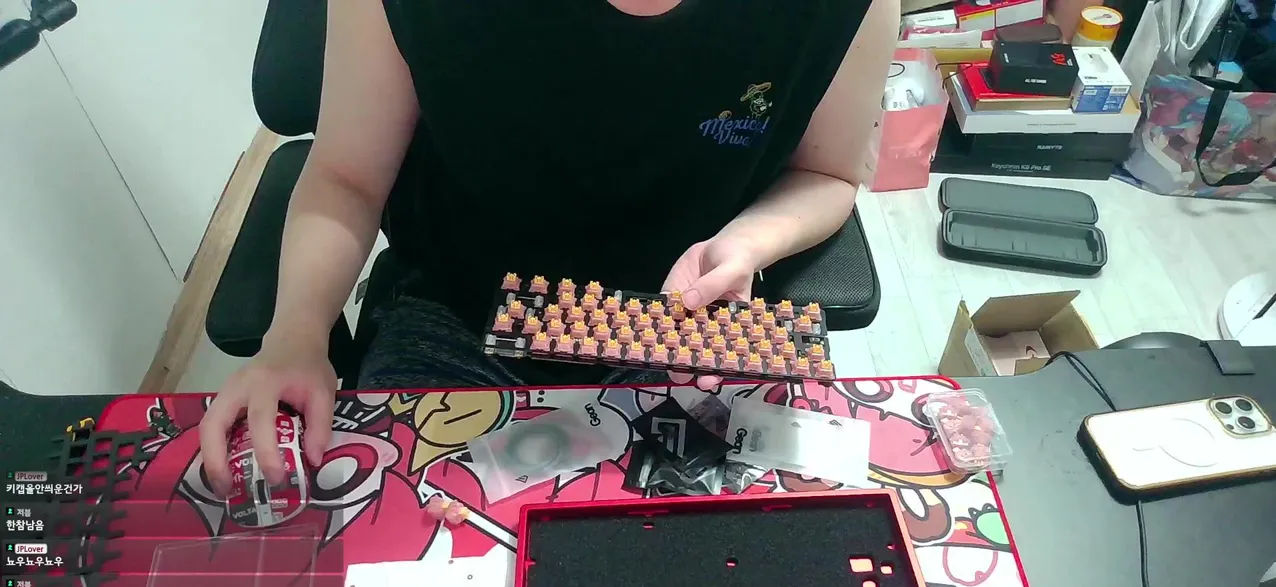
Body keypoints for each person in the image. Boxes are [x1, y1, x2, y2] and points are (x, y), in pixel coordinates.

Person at [199, 0, 899, 494]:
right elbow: (346, 176)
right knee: (422, 543)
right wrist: (296, 336)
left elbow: (829, 174)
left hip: (685, 328)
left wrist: (749, 241)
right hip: (460, 314)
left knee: (727, 572)